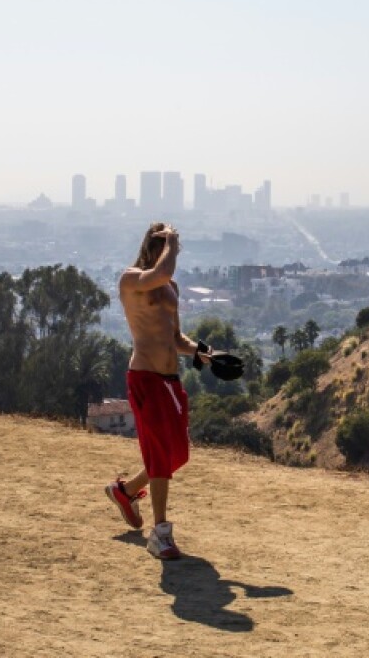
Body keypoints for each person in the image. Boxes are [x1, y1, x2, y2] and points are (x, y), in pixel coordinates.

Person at [105, 222, 214, 560]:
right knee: (160, 455)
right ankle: (160, 534)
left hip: (170, 380)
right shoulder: (132, 279)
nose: (167, 249)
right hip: (144, 377)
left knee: (177, 455)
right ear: (152, 246)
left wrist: (202, 351)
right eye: (162, 243)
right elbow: (162, 270)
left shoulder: (171, 288)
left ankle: (126, 491)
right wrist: (174, 243)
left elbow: (175, 337)